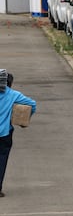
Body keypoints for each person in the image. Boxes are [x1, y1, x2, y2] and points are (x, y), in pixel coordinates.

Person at [0, 69, 36, 197]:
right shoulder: (13, 94)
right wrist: (23, 120)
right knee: (2, 159)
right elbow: (32, 104)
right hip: (4, 133)